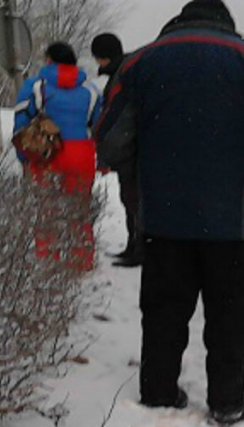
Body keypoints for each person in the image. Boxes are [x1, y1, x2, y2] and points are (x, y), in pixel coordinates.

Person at [95, 0, 244, 425]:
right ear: (226, 25)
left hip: (163, 220)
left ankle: (158, 393)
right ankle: (227, 402)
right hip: (235, 225)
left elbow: (109, 138)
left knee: (163, 311)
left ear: (177, 22)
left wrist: (142, 167)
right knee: (230, 317)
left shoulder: (140, 64)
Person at [14, 42, 103, 270]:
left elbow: (21, 124)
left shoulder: (36, 86)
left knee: (47, 209)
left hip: (48, 153)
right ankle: (81, 260)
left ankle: (48, 260)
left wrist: (24, 157)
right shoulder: (91, 91)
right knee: (80, 209)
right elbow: (101, 125)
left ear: (50, 61)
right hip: (81, 153)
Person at [90, 32, 142, 268]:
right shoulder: (129, 70)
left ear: (104, 57)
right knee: (131, 200)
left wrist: (104, 147)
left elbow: (115, 117)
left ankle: (138, 249)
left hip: (131, 151)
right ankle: (134, 246)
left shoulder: (123, 76)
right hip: (134, 149)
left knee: (134, 200)